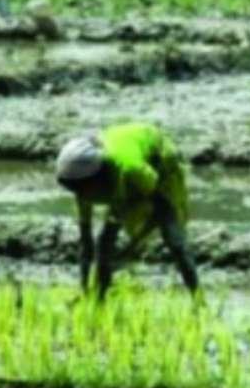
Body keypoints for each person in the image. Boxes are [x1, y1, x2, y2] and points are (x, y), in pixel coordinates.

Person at [55, 123, 199, 300]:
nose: (83, 196)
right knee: (103, 243)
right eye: (77, 191)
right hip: (122, 167)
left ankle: (198, 298)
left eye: (85, 190)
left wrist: (137, 242)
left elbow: (162, 205)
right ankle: (97, 298)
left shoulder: (131, 170)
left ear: (96, 179)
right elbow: (86, 243)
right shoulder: (82, 186)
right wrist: (85, 287)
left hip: (159, 164)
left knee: (175, 241)